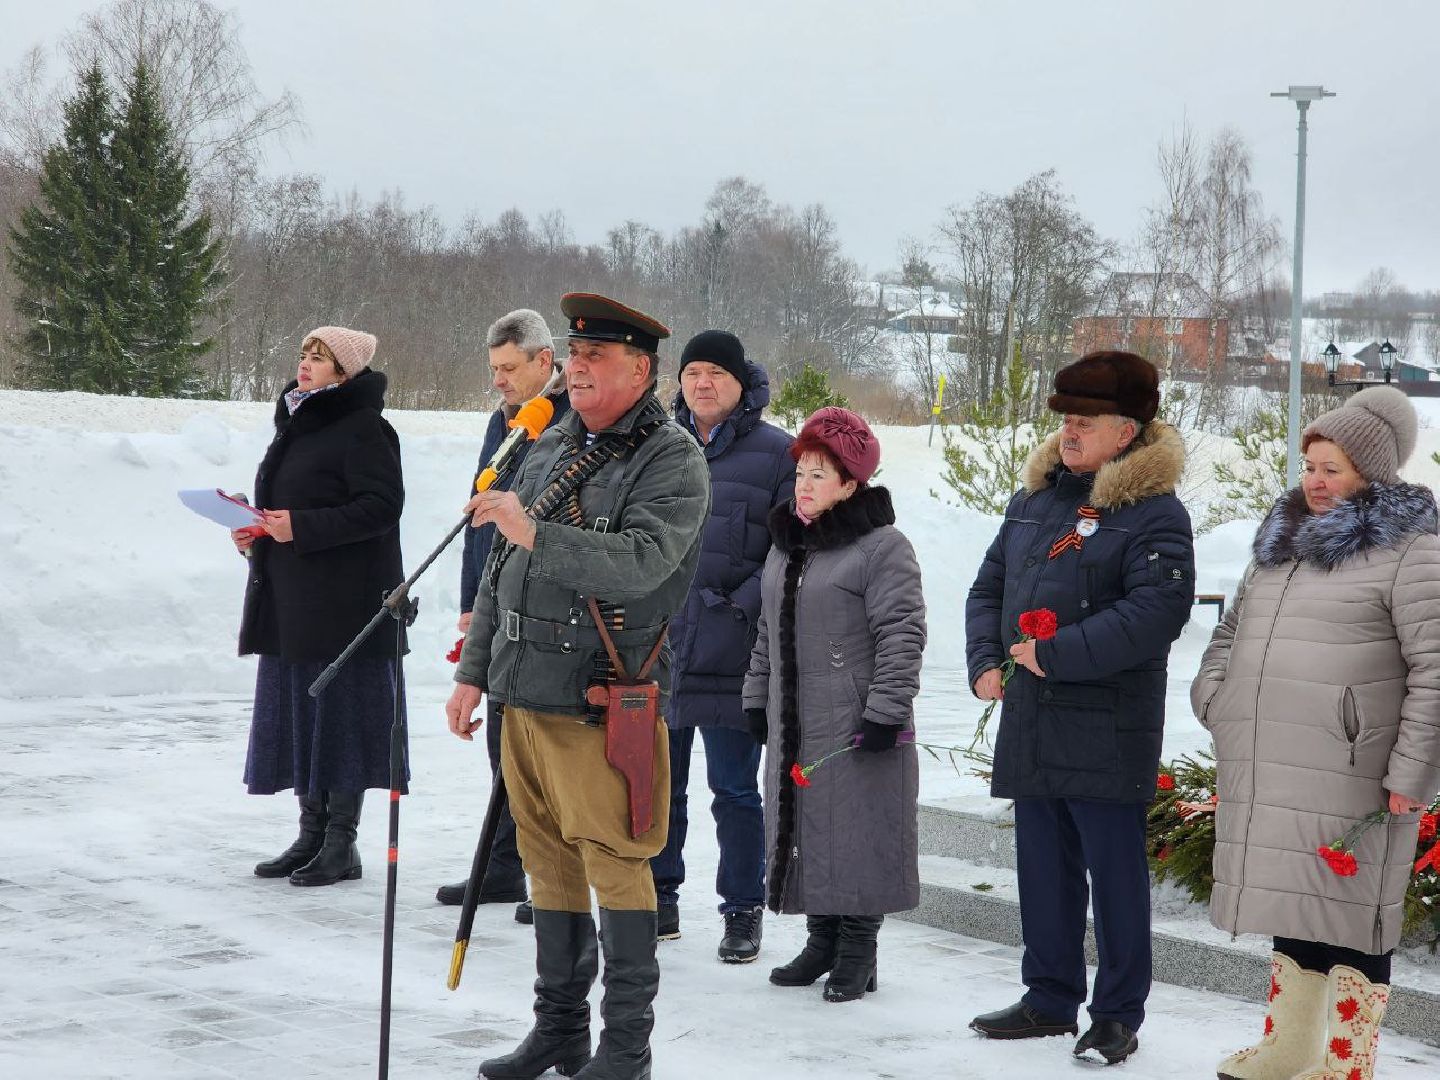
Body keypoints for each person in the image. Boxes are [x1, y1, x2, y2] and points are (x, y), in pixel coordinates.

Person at [445, 293, 710, 1080]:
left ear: (641, 369)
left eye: (596, 357)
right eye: (575, 353)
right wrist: (472, 673)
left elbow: (641, 560)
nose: (578, 366)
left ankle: (625, 1049)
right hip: (522, 695)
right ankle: (559, 1031)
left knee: (615, 863)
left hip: (600, 700)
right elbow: (501, 569)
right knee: (548, 865)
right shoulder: (553, 437)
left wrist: (537, 529)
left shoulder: (672, 458)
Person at [1192, 386, 1440, 1080]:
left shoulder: (1410, 552)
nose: (1316, 481)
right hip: (1273, 761)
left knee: (1352, 912)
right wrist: (1217, 697)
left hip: (1355, 769)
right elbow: (1231, 632)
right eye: (1310, 466)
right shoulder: (1281, 546)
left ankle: (1344, 1057)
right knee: (1292, 900)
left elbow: (1435, 670)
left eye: (1333, 468)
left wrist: (1411, 774)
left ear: (1372, 472)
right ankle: (1289, 1046)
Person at [965, 350, 1194, 1065]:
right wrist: (983, 661)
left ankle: (1118, 1013)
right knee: (1042, 867)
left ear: (1126, 432)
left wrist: (1054, 653)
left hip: (1105, 724)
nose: (1069, 432)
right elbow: (987, 588)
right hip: (1033, 717)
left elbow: (1156, 612)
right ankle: (1049, 997)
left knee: (1114, 876)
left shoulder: (1155, 514)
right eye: (1065, 419)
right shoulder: (1035, 503)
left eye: (1085, 421)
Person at [742, 406, 926, 1003]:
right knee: (806, 829)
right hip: (795, 718)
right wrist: (755, 697)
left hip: (854, 720)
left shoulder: (880, 547)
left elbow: (902, 633)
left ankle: (858, 951)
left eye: (820, 475)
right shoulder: (786, 545)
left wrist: (885, 711)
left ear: (851, 485)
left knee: (858, 831)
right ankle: (822, 940)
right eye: (801, 473)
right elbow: (766, 632)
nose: (805, 485)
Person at [235, 327, 404, 888]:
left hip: (344, 605)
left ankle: (341, 844)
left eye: (320, 357)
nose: (305, 364)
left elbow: (382, 507)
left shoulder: (365, 429)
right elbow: (290, 507)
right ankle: (310, 834)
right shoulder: (296, 424)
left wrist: (299, 525)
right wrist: (259, 530)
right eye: (304, 353)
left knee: (340, 721)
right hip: (293, 599)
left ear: (345, 372)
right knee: (304, 716)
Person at [649, 330, 795, 961]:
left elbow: (790, 551)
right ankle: (659, 898)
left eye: (714, 373)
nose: (701, 383)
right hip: (659, 650)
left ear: (742, 383)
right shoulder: (657, 445)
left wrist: (739, 607)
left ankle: (742, 909)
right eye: (691, 372)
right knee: (657, 786)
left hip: (734, 654)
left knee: (734, 791)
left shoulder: (777, 454)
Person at [436, 309, 570, 925]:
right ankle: (500, 865)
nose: (499, 381)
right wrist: (471, 606)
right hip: (495, 597)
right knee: (500, 744)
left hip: (545, 605)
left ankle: (546, 872)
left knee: (537, 750)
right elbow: (478, 522)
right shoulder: (504, 421)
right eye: (494, 370)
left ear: (545, 362)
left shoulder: (569, 420)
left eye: (509, 369)